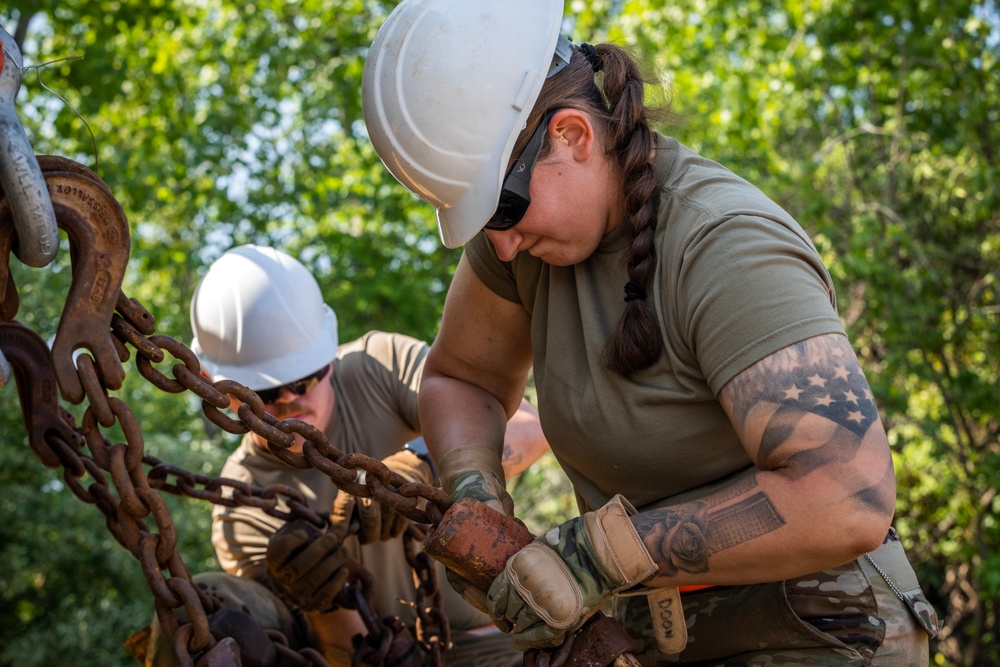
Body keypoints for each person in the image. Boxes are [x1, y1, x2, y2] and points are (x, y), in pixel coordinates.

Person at [360, 1, 941, 664]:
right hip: (659, 636)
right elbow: (463, 378)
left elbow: (847, 495)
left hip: (822, 632)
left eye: (501, 206)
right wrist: (472, 487)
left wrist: (597, 556)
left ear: (573, 136)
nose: (502, 243)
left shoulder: (724, 243)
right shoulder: (518, 242)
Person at [143, 244, 549, 667]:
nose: (287, 400)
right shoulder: (242, 507)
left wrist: (427, 461)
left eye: (304, 379)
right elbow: (343, 647)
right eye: (262, 393)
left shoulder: (380, 367)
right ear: (214, 386)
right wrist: (315, 598)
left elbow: (529, 428)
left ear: (328, 356)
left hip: (501, 636)